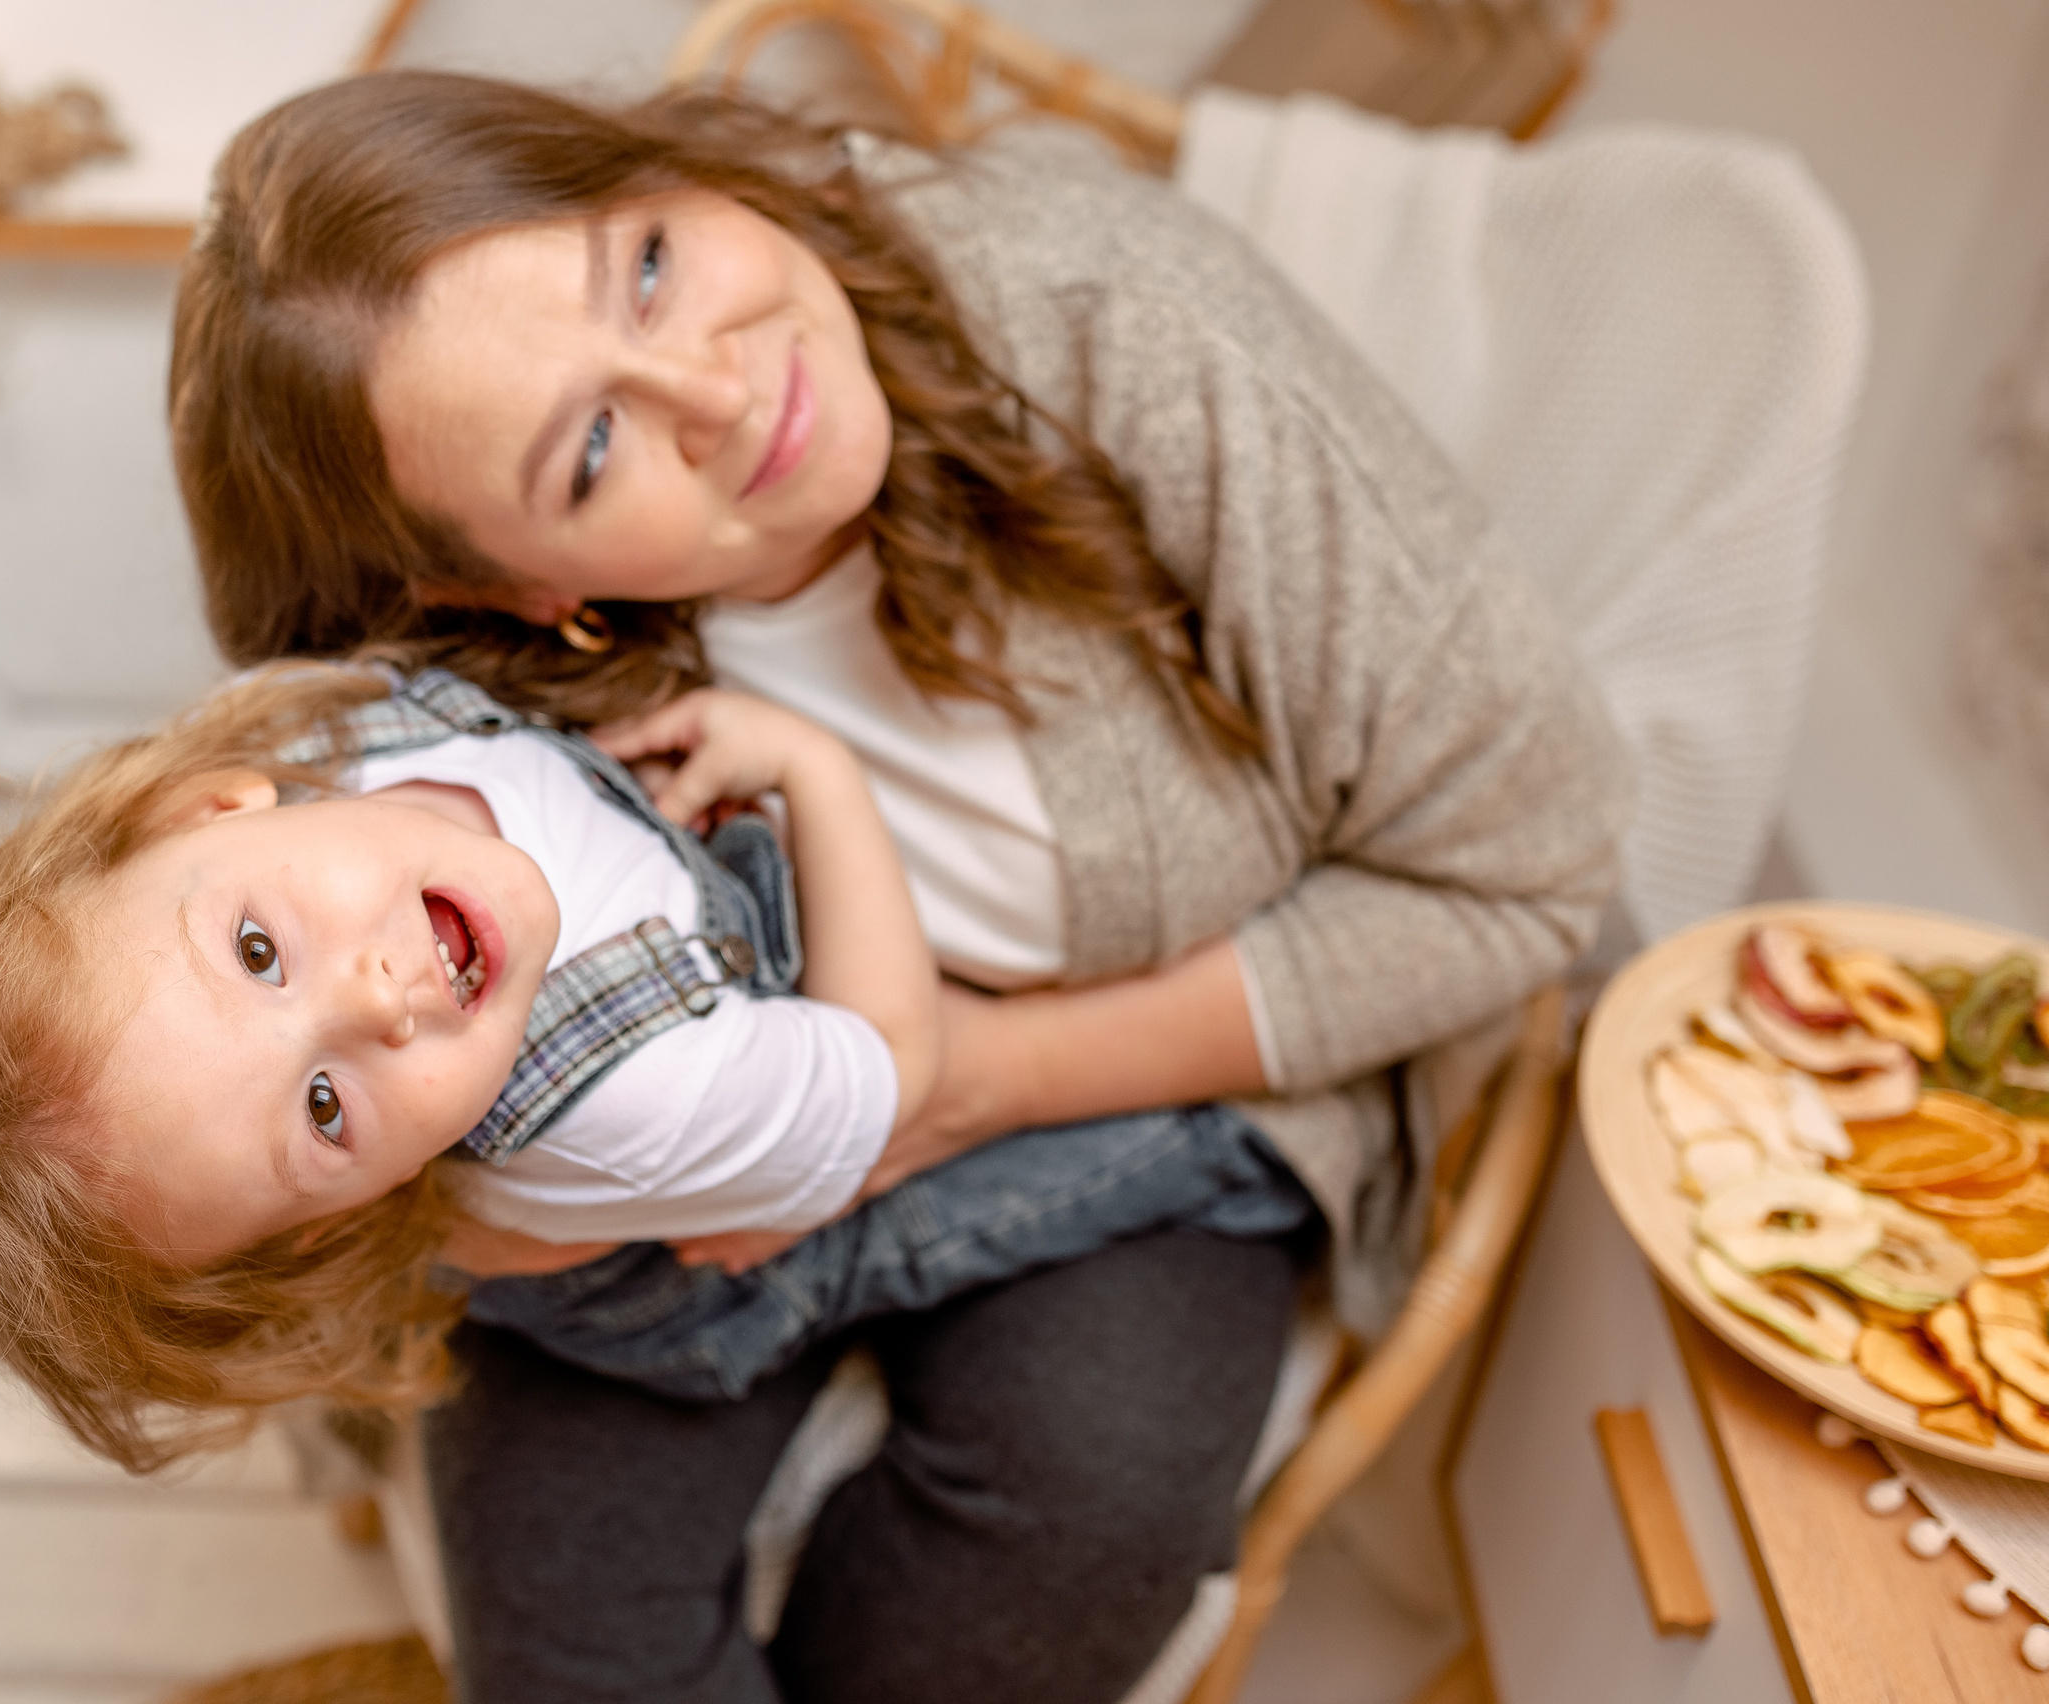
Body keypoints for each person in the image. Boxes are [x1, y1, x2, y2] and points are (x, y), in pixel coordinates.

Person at [167, 70, 1633, 1704]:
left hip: (1153, 1103)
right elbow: (304, 1066)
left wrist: (984, 1079)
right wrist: (468, 1228)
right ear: (509, 591)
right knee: (569, 1634)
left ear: (658, 165)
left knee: (1092, 1510)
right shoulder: (429, 720)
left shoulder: (1120, 324)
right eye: (591, 449)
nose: (716, 387)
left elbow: (1528, 868)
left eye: (647, 263)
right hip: (722, 1135)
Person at [0, 659, 1312, 1469]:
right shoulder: (630, 1100)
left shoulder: (356, 731)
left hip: (645, 1130)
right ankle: (1278, 1149)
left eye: (262, 954)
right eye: (327, 1106)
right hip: (757, 1222)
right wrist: (814, 769)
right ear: (352, 1203)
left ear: (212, 808)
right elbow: (894, 1072)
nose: (377, 995)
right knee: (1141, 1153)